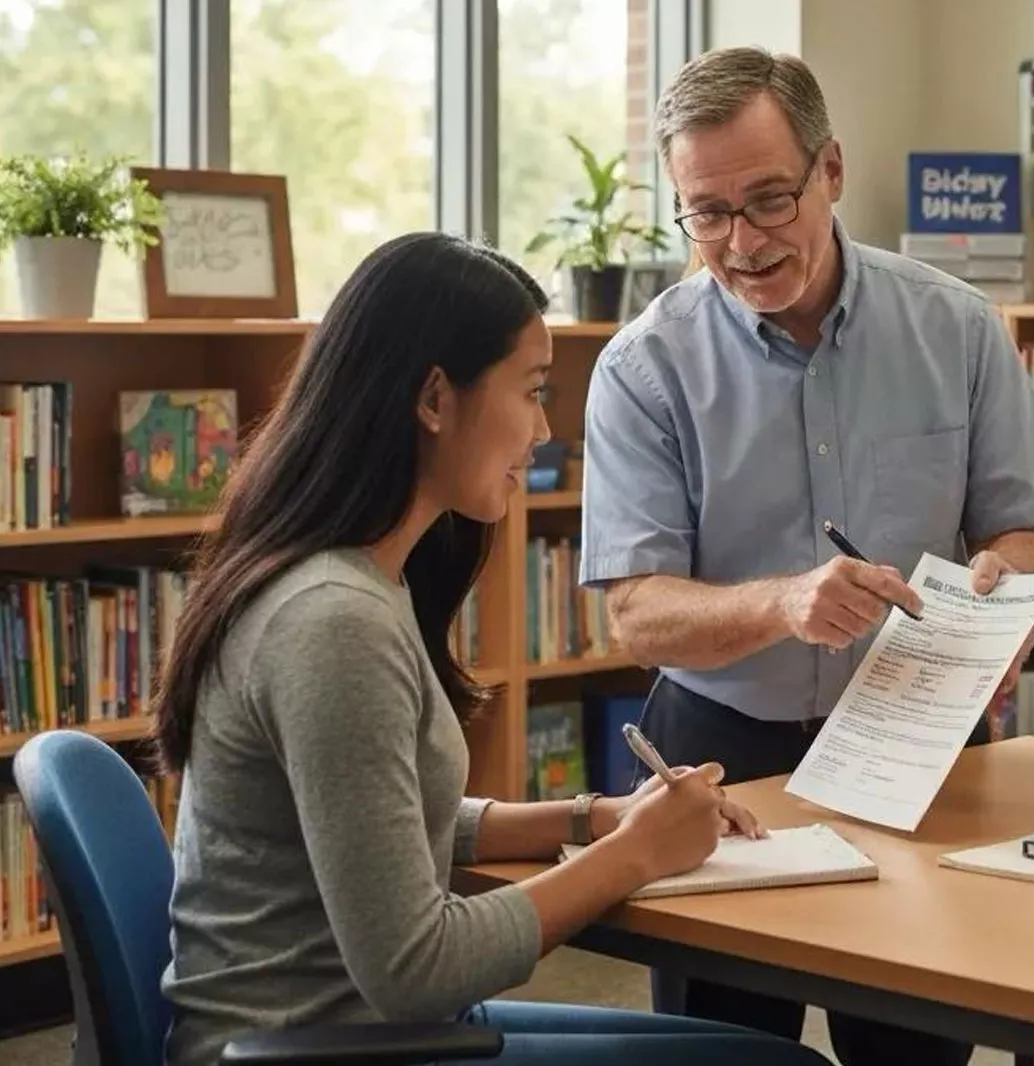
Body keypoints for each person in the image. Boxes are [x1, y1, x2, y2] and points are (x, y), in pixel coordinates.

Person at [150, 231, 835, 1066]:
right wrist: (633, 854)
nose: (544, 429)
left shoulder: (354, 581)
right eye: (532, 390)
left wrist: (594, 818)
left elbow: (381, 826)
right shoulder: (333, 623)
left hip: (358, 1034)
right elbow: (417, 968)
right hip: (332, 1047)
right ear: (435, 399)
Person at [578, 46, 1034, 1066]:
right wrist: (783, 603)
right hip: (721, 753)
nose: (742, 242)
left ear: (831, 171)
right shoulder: (642, 368)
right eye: (707, 213)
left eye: (769, 200)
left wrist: (1004, 590)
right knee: (719, 1051)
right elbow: (634, 614)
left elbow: (1019, 533)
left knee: (914, 1047)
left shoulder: (958, 329)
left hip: (915, 745)